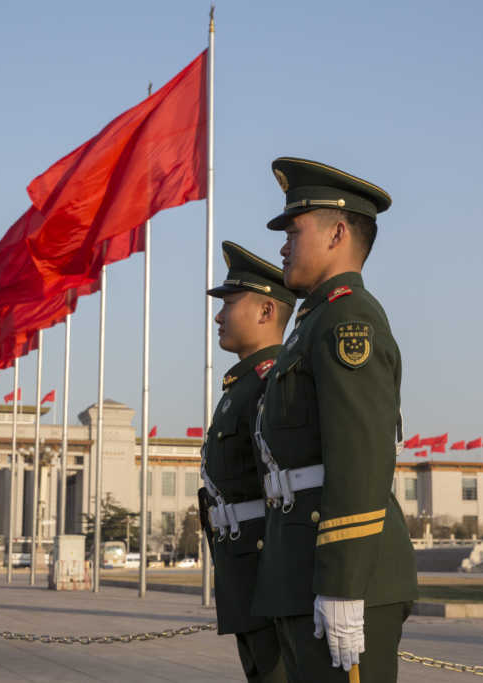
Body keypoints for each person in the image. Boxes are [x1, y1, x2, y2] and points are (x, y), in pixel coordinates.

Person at [252, 157, 417, 682]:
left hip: (345, 573)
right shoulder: (314, 321)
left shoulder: (348, 318)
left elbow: (361, 456)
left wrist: (343, 584)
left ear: (337, 233)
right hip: (303, 566)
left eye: (293, 231)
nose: (281, 246)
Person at [200, 241, 297, 683]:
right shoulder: (242, 386)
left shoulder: (271, 384)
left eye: (230, 303)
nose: (219, 316)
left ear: (265, 313)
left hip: (267, 571)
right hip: (244, 570)